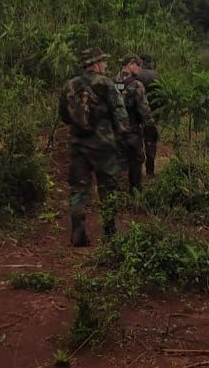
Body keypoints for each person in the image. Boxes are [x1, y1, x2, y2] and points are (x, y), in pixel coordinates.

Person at [58, 48, 129, 247]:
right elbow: (120, 113)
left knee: (79, 189)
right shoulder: (107, 83)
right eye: (103, 62)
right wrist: (122, 138)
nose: (105, 65)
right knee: (107, 189)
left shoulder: (70, 85)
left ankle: (78, 232)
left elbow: (63, 115)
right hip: (103, 146)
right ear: (95, 63)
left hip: (78, 145)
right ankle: (110, 232)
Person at [114, 54, 157, 192]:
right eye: (138, 65)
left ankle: (117, 194)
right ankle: (135, 192)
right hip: (132, 129)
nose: (140, 68)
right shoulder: (137, 84)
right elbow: (144, 110)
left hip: (116, 129)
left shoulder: (113, 81)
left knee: (120, 161)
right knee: (136, 159)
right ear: (130, 64)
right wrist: (150, 125)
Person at [136, 54, 161, 176]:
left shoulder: (137, 74)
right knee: (151, 141)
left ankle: (137, 170)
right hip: (152, 113)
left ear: (141, 62)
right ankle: (150, 170)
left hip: (136, 115)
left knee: (137, 141)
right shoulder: (156, 75)